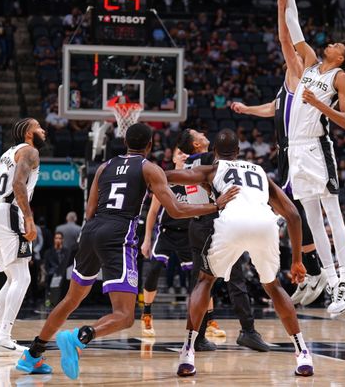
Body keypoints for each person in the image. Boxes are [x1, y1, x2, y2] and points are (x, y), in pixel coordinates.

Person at [16, 123, 238, 380]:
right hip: (118, 234)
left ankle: (32, 354)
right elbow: (176, 210)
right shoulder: (149, 168)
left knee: (70, 299)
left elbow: (88, 211)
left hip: (91, 230)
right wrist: (214, 206)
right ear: (150, 145)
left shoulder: (103, 167)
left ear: (125, 142)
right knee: (124, 316)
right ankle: (79, 337)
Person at [165, 129, 312, 377]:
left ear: (215, 153)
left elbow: (171, 176)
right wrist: (297, 260)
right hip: (265, 225)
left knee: (205, 280)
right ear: (239, 151)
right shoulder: (260, 172)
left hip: (231, 224)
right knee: (274, 287)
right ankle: (303, 354)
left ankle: (188, 352)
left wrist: (148, 172)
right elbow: (294, 216)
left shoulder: (211, 170)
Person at [268, 0, 345, 316]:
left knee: (332, 212)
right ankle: (334, 281)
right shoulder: (307, 65)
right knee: (312, 218)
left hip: (319, 147)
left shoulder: (339, 78)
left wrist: (320, 104)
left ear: (343, 57)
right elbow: (293, 28)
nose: (331, 43)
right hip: (297, 152)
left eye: (337, 44)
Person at [230, 0, 325, 307]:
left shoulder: (301, 74)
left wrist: (281, 6)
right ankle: (311, 270)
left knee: (288, 212)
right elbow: (273, 107)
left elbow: (286, 40)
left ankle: (314, 271)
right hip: (286, 153)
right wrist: (247, 109)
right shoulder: (288, 86)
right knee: (291, 213)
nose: (291, 54)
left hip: (295, 153)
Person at [176, 128, 269, 352]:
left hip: (197, 224)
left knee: (200, 282)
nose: (202, 133)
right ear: (197, 145)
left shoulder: (191, 162)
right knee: (235, 278)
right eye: (197, 134)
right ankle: (248, 331)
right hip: (214, 223)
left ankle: (196, 337)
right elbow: (229, 158)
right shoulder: (210, 159)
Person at [0, 118, 45, 356]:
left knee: (10, 277)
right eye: (38, 127)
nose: (43, 130)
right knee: (22, 277)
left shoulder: (8, 154)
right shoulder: (30, 151)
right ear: (28, 132)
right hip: (9, 214)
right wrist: (28, 218)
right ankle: (4, 336)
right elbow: (18, 183)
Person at [140, 147, 195, 337]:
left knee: (198, 277)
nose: (185, 155)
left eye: (186, 153)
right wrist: (147, 239)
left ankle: (208, 319)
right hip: (166, 233)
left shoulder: (196, 180)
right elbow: (153, 212)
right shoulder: (165, 179)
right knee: (155, 268)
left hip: (188, 234)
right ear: (173, 158)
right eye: (180, 153)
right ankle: (147, 313)